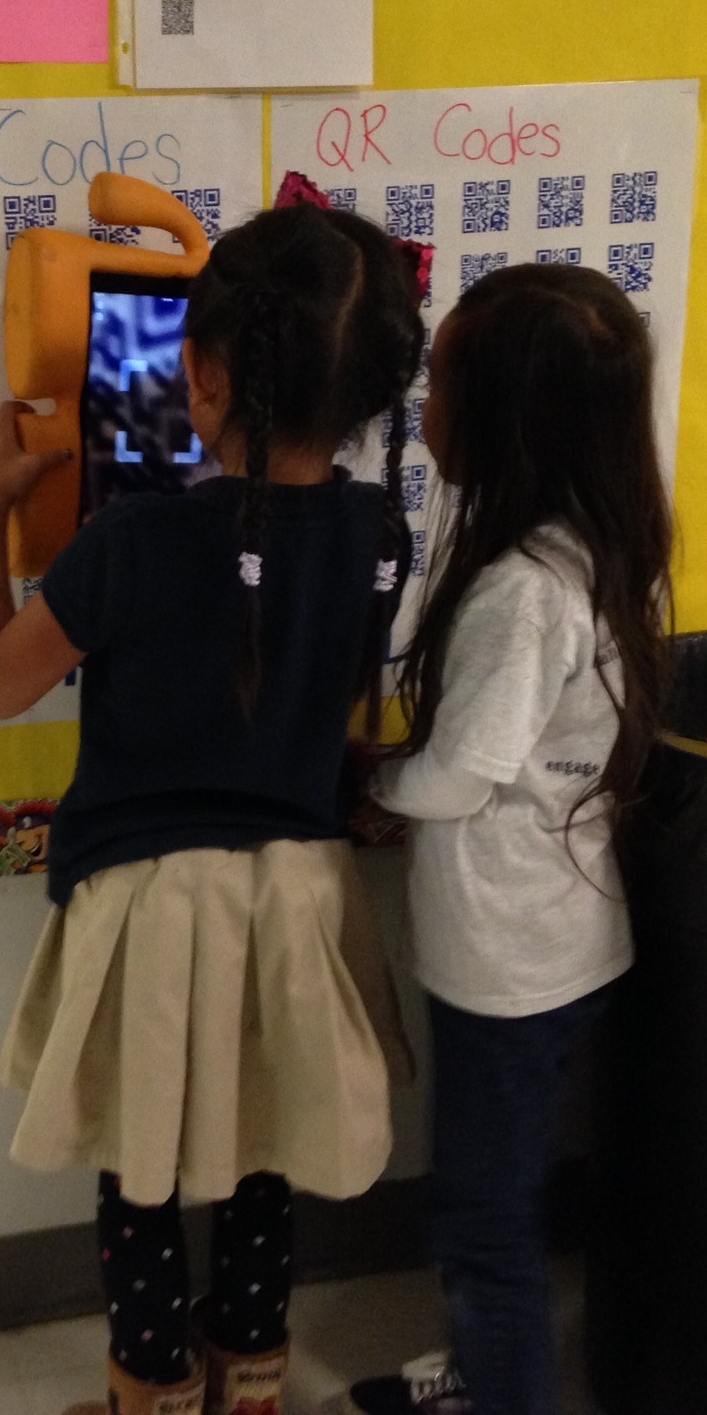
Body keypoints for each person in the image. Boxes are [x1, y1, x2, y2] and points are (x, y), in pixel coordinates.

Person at [0, 187, 427, 1415]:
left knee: (143, 1165)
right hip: (302, 896)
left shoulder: (132, 540)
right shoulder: (381, 532)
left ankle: (153, 1392)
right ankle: (253, 1382)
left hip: (154, 905)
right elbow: (328, 707)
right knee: (263, 1146)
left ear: (203, 373)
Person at [344, 265, 672, 1415]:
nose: (421, 407)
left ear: (507, 417)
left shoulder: (523, 591)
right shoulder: (591, 547)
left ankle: (505, 1390)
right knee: (498, 1194)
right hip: (555, 942)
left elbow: (458, 775)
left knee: (483, 1221)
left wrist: (376, 780)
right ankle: (484, 1371)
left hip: (508, 964)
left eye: (440, 384)